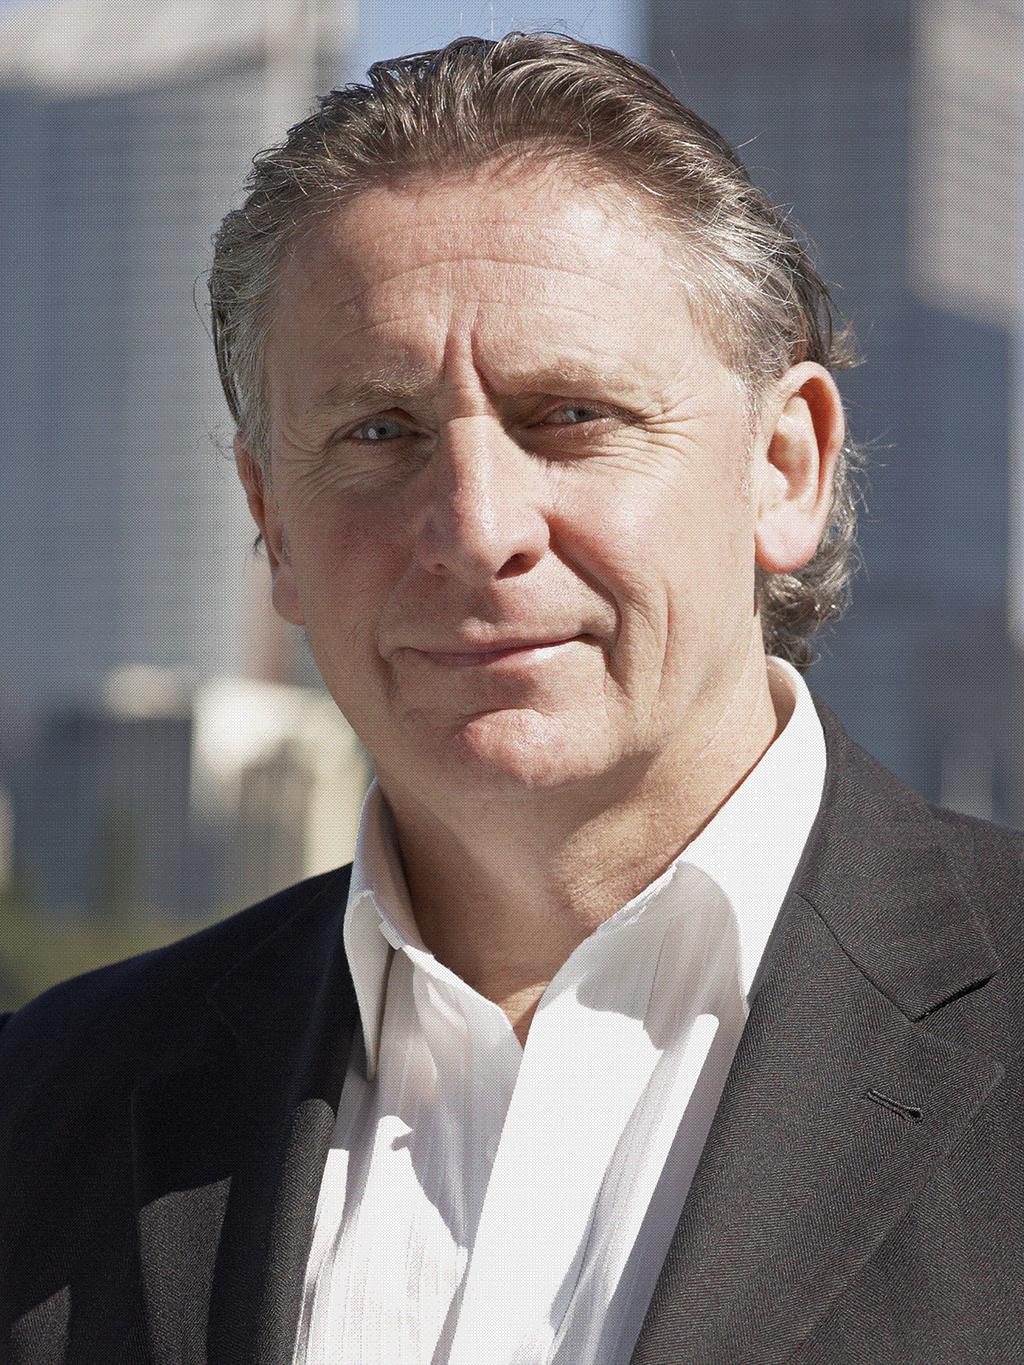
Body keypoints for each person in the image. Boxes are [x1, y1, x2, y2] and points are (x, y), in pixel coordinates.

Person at [2, 30, 1022, 1365]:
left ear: (784, 468)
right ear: (273, 522)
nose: (477, 529)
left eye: (569, 417)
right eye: (378, 433)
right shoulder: (45, 1107)